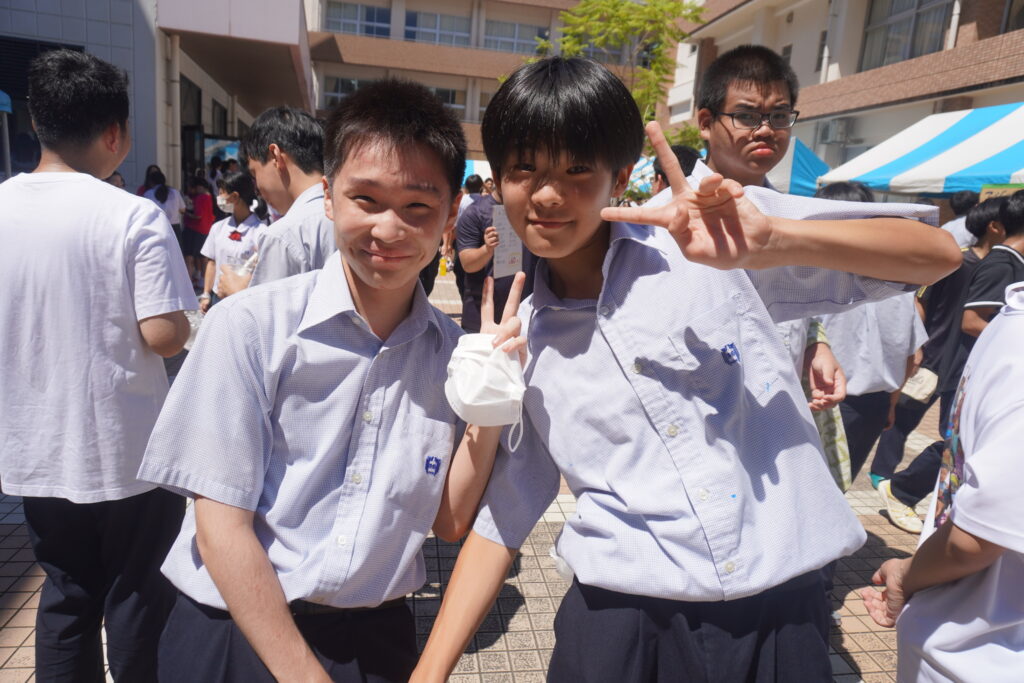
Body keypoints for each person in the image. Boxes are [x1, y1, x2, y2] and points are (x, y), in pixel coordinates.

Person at [411, 54, 960, 682]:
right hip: (617, 624)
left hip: (778, 618)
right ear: (500, 180)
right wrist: (429, 673)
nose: (547, 194)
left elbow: (936, 254)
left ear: (620, 175)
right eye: (523, 169)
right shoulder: (528, 340)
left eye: (577, 168)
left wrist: (771, 241)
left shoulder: (712, 242)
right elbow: (504, 515)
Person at [138, 79, 524, 683]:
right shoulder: (250, 327)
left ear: (451, 214)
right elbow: (220, 529)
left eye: (418, 207)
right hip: (234, 631)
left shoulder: (451, 355)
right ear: (328, 196)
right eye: (365, 199)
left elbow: (448, 522)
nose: (389, 229)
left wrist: (492, 398)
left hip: (373, 641)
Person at [0, 49, 196, 680]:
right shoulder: (133, 214)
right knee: (136, 595)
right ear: (115, 134)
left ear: (37, 123)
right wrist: (187, 323)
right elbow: (163, 336)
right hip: (126, 449)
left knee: (66, 596)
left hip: (33, 448)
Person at [861, 279, 1024, 682]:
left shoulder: (1013, 334)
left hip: (979, 653)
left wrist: (907, 575)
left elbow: (976, 538)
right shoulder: (1009, 320)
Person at [871, 197, 1006, 532]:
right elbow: (921, 301)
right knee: (902, 417)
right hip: (934, 354)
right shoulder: (958, 261)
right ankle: (884, 477)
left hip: (965, 363)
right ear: (994, 226)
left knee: (951, 434)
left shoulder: (999, 267)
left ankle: (899, 487)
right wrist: (916, 345)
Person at [814, 182, 930, 488]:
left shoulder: (815, 278)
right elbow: (912, 356)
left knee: (806, 490)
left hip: (821, 401)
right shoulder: (898, 283)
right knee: (836, 489)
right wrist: (891, 404)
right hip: (874, 406)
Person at [216, 106, 336, 296]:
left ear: (275, 157)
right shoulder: (351, 213)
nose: (257, 187)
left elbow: (268, 312)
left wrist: (237, 294)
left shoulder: (284, 235)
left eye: (255, 173)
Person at [455, 174, 538, 332]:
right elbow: (468, 264)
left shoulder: (534, 212)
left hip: (525, 315)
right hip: (481, 316)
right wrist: (487, 249)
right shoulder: (475, 213)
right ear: (497, 177)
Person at [198, 172, 266, 311]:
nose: (219, 198)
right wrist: (206, 294)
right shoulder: (218, 228)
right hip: (218, 297)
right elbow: (212, 262)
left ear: (235, 196)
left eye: (221, 193)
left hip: (245, 297)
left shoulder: (261, 232)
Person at [144, 168, 188, 251]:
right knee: (176, 252)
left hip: (157, 226)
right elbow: (183, 209)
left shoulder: (148, 194)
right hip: (174, 227)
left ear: (151, 182)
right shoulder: (175, 192)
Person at [183, 175, 216, 287]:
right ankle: (203, 279)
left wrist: (185, 213)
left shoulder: (201, 197)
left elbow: (198, 215)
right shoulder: (209, 196)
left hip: (195, 228)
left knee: (193, 256)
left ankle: (195, 280)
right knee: (202, 256)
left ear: (200, 186)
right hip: (205, 228)